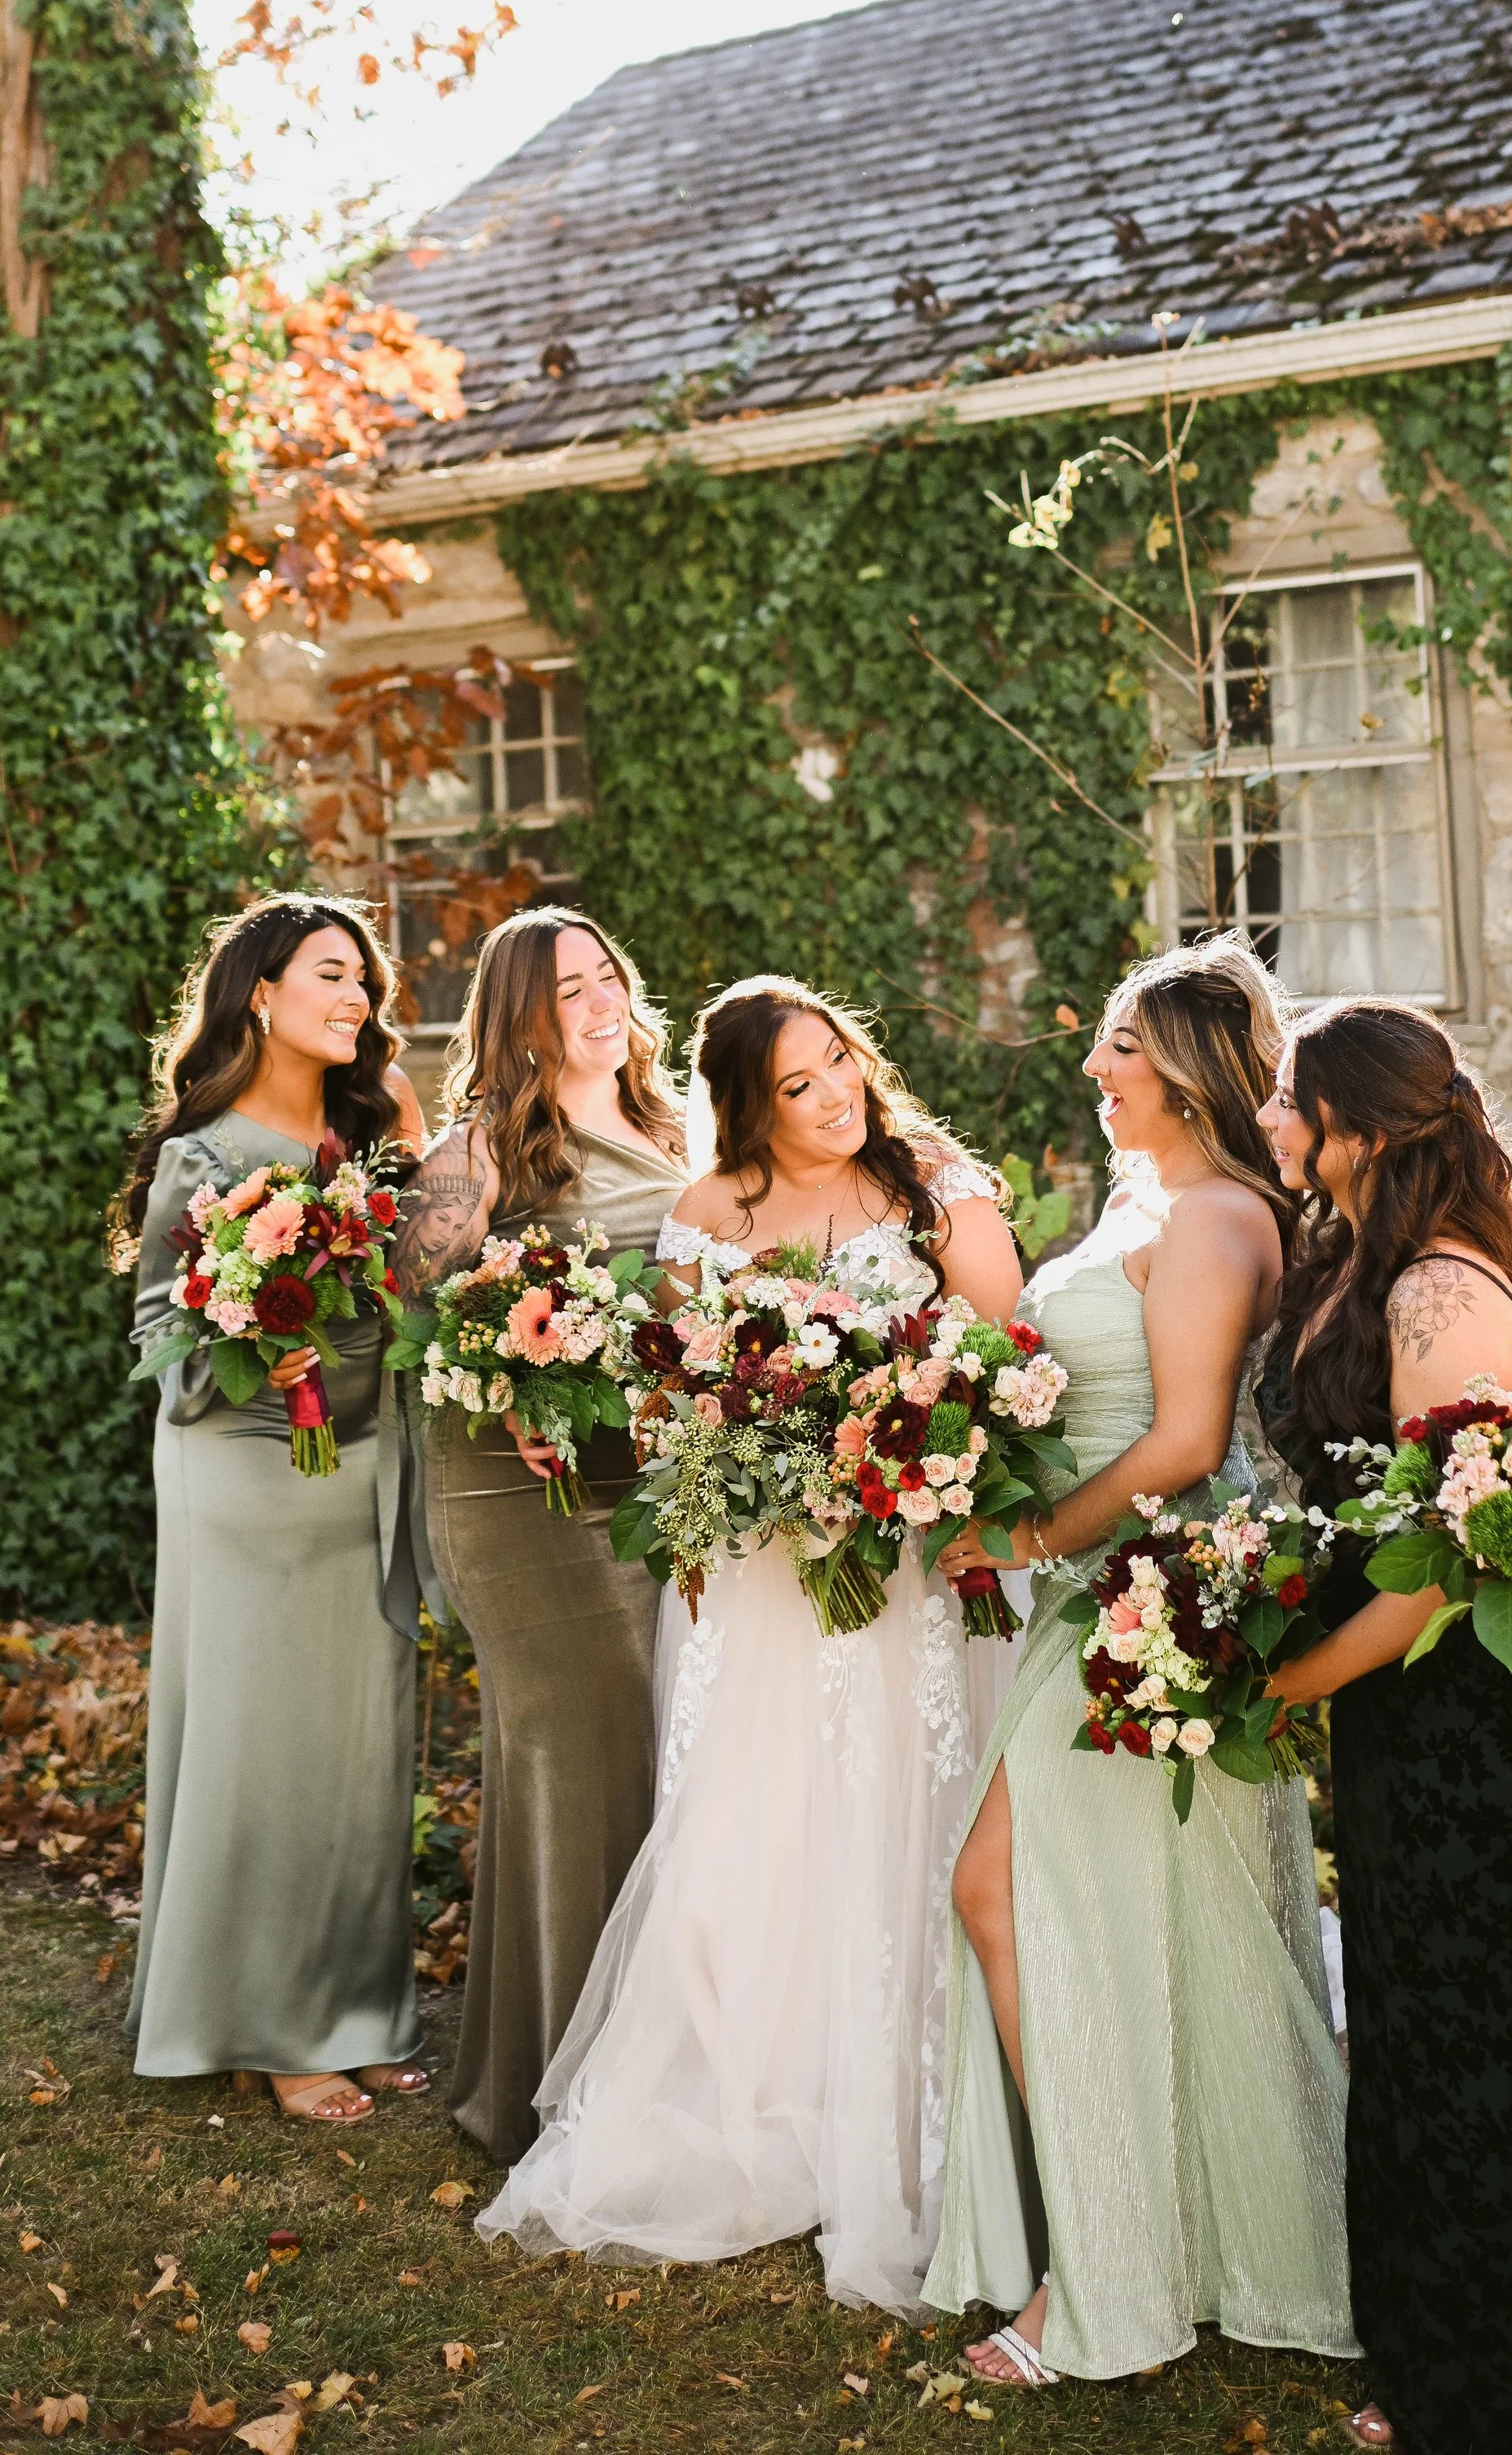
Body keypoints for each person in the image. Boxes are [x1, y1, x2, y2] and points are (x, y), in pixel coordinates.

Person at [478, 974, 1023, 2311]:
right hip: (758, 1570)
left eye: (840, 1059)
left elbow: (1003, 1353)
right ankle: (759, 2103)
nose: (837, 1092)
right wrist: (756, 1443)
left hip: (898, 1562)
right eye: (798, 1082)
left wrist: (893, 1433)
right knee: (757, 1821)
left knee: (903, 1810)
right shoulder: (709, 1214)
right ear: (745, 1106)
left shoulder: (934, 1179)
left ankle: (913, 2109)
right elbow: (667, 1402)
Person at [924, 938, 1355, 2389]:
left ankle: (1103, 2266)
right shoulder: (1140, 1198)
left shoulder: (1227, 1215)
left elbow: (1183, 1440)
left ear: (1182, 1067)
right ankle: (1144, 2238)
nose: (1095, 1066)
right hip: (1094, 1592)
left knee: (1004, 1888)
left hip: (1161, 1603)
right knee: (1135, 1920)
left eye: (1119, 1044)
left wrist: (1033, 1526)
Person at [1254, 996, 1512, 2455]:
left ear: (1356, 1127)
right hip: (1402, 1718)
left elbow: (1451, 1566)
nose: (1276, 1125)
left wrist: (1292, 1681)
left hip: (1465, 1722)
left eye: (1294, 1103)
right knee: (1414, 2025)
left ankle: (1501, 2384)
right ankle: (1428, 2351)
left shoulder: (1441, 1299)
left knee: (1479, 2034)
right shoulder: (1364, 1261)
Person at [117, 893, 428, 2124]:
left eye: (364, 982)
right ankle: (268, 2025)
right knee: (262, 1747)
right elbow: (156, 1326)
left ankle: (354, 2008)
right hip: (238, 1468)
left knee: (359, 1746)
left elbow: (421, 1294)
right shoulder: (203, 1155)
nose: (357, 999)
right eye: (331, 975)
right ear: (261, 992)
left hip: (364, 1469)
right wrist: (239, 1347)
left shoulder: (371, 1148)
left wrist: (407, 1131)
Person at [399, 907, 687, 2164]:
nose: (598, 1001)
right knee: (592, 1729)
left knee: (652, 1734)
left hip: (652, 1485)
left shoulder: (676, 1129)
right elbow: (409, 1304)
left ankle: (640, 2055)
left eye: (607, 976)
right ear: (519, 1014)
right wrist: (507, 1377)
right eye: (566, 988)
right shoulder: (482, 1151)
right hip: (519, 1494)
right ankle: (561, 2086)